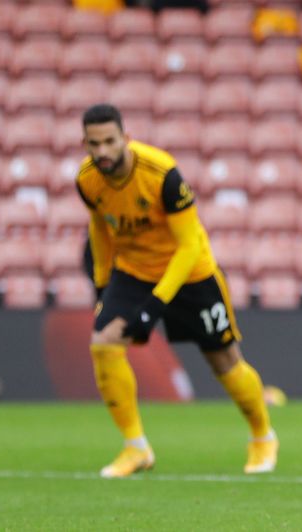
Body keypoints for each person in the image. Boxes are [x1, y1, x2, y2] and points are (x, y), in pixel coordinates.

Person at [77, 104, 277, 478]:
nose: (102, 151)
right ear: (84, 143)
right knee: (103, 342)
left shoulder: (162, 174)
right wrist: (102, 287)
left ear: (125, 139)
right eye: (94, 143)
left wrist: (154, 306)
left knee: (224, 362)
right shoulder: (87, 180)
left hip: (190, 273)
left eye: (109, 141)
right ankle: (135, 447)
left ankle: (262, 435)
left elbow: (188, 246)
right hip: (134, 271)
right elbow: (99, 232)